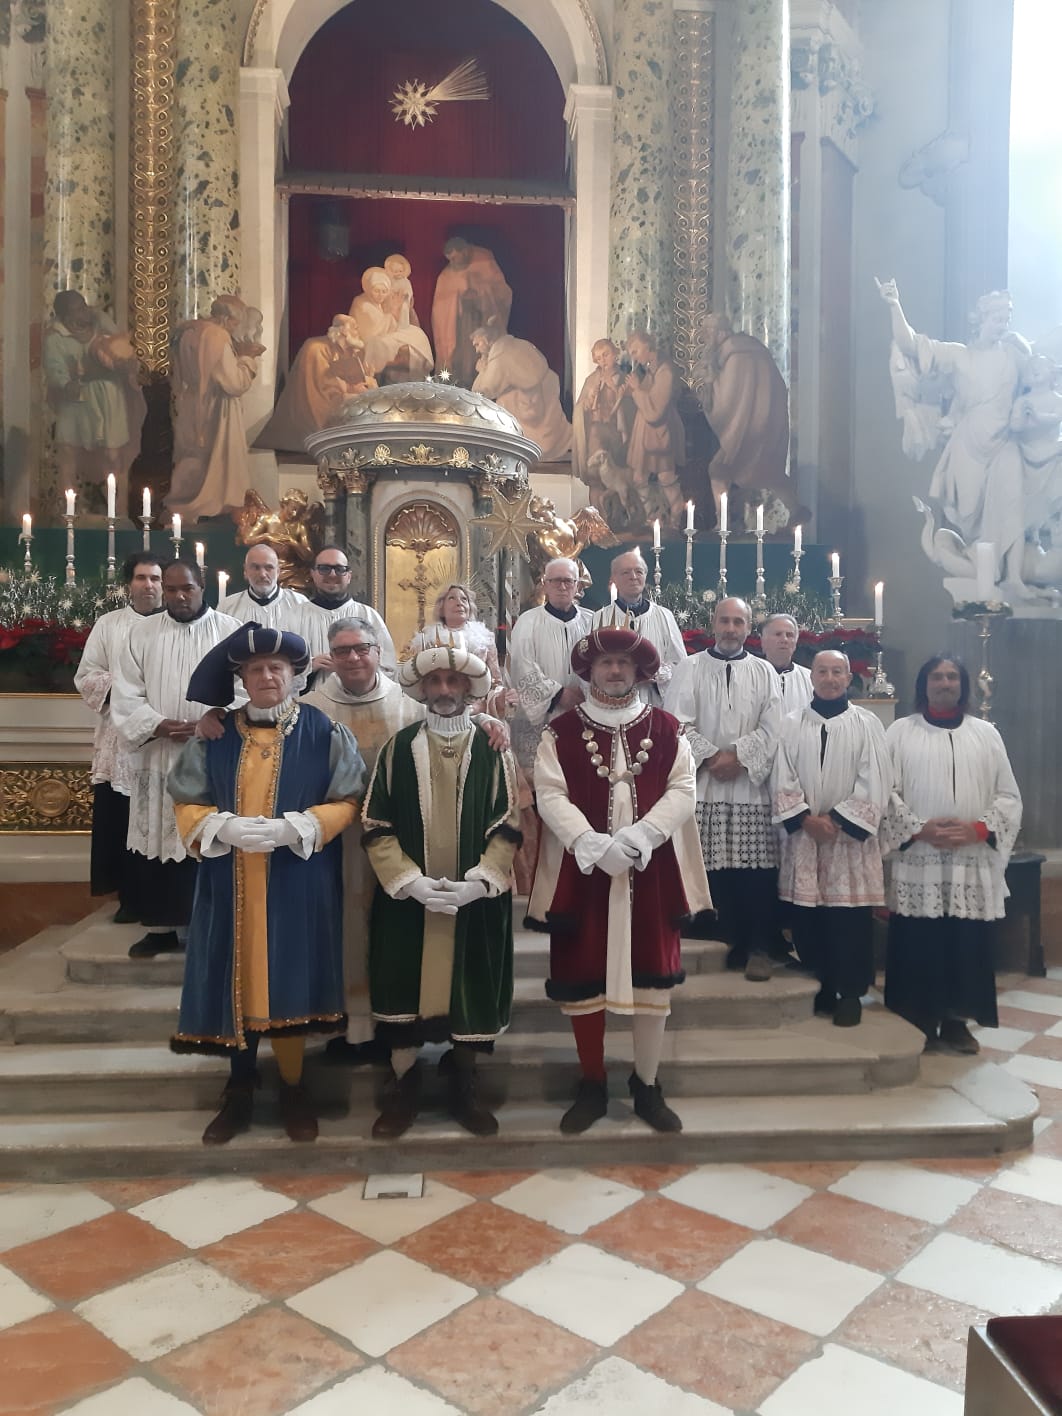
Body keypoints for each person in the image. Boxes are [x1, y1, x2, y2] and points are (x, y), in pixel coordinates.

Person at [167, 625, 364, 1144]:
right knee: (236, 975)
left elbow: (349, 797)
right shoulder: (214, 734)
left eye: (277, 667)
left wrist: (298, 826)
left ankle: (294, 1088)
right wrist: (219, 826)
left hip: (298, 878)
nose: (267, 676)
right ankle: (239, 1088)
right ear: (242, 678)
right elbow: (186, 797)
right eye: (255, 669)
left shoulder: (324, 731)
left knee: (290, 977)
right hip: (227, 879)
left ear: (295, 674)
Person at [528, 625, 710, 1133]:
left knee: (653, 978)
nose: (613, 671)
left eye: (623, 663)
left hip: (652, 873)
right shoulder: (560, 732)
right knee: (582, 976)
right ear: (589, 671)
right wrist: (590, 843)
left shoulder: (668, 728)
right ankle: (592, 1083)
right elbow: (549, 793)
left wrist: (641, 837)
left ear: (638, 671)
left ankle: (646, 1084)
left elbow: (683, 789)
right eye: (605, 663)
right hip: (582, 872)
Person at [305, 616, 511, 1065]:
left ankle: (444, 1058)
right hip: (339, 844)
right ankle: (358, 1030)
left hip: (414, 849)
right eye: (342, 651)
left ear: (378, 651)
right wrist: (214, 715)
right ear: (330, 657)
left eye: (362, 648)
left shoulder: (404, 704)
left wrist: (490, 722)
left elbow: (452, 719)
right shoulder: (312, 706)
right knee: (353, 934)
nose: (353, 658)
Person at [362, 640, 522, 1138]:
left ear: (470, 689)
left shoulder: (493, 749)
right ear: (423, 688)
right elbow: (375, 822)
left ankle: (464, 1083)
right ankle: (403, 1083)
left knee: (469, 985)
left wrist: (481, 882)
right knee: (402, 986)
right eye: (435, 680)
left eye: (454, 680)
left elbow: (508, 822)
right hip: (409, 902)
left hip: (473, 901)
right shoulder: (397, 748)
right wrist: (408, 882)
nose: (445, 688)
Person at [881, 656, 1022, 1053]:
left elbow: (1009, 796)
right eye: (937, 677)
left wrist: (979, 829)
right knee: (919, 941)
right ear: (923, 685)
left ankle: (957, 1023)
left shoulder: (986, 734)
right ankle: (919, 1020)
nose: (944, 683)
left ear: (962, 685)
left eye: (952, 677)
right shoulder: (900, 732)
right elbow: (885, 791)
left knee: (966, 942)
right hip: (920, 857)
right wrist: (917, 828)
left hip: (969, 858)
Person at [110, 561, 242, 957]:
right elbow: (126, 692)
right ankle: (160, 928)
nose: (179, 596)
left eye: (187, 588)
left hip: (212, 754)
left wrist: (215, 716)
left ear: (202, 586)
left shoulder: (230, 632)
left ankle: (211, 926)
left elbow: (246, 687)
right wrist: (159, 725)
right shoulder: (140, 634)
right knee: (158, 832)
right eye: (171, 590)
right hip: (159, 752)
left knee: (208, 835)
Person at [877, 280, 1028, 587]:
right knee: (971, 518)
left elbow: (1043, 376)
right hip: (969, 446)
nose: (1002, 326)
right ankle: (984, 580)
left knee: (1011, 507)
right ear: (981, 319)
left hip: (1005, 444)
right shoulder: (960, 356)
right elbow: (910, 345)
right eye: (996, 319)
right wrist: (894, 305)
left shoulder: (1014, 355)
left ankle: (1009, 579)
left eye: (1006, 320)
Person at [664, 596, 783, 981]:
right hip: (704, 786)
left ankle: (756, 947)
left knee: (755, 873)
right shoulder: (690, 667)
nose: (731, 629)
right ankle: (715, 945)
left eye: (739, 622)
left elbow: (774, 727)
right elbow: (675, 723)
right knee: (707, 868)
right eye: (725, 621)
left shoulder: (764, 671)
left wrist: (739, 757)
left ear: (749, 628)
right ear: (713, 623)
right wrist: (713, 756)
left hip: (749, 789)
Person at [772, 651, 891, 1025]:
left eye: (837, 671)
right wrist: (805, 819)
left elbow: (876, 779)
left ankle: (850, 994)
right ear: (812, 678)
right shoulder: (791, 723)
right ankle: (821, 986)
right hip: (806, 837)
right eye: (822, 671)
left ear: (848, 678)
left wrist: (836, 820)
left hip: (847, 842)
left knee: (849, 921)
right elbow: (781, 775)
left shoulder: (867, 724)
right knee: (809, 919)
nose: (829, 678)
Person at [74, 552, 163, 923]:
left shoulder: (175, 626)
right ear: (129, 584)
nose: (149, 585)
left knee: (160, 815)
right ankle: (129, 897)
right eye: (141, 578)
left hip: (163, 734)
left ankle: (164, 899)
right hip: (120, 739)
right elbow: (87, 675)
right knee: (123, 817)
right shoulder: (109, 625)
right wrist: (128, 690)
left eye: (155, 578)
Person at [43, 290, 146, 506]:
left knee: (112, 454)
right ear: (67, 317)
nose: (85, 311)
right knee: (69, 452)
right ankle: (68, 511)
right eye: (78, 309)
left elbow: (123, 349)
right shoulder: (55, 338)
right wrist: (70, 381)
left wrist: (121, 361)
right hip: (76, 403)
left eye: (84, 305)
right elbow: (56, 371)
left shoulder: (101, 323)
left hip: (109, 398)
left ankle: (115, 509)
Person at [167, 295, 262, 523]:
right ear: (226, 317)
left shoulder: (189, 332)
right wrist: (248, 358)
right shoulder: (216, 336)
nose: (235, 327)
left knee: (194, 457)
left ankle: (184, 505)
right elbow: (234, 383)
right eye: (235, 322)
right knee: (217, 463)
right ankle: (212, 508)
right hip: (218, 408)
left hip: (191, 403)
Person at [695, 312, 791, 509]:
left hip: (746, 429)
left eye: (708, 332)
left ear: (721, 332)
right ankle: (796, 509)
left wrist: (710, 384)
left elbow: (729, 400)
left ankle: (724, 522)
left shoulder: (735, 356)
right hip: (766, 423)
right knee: (768, 472)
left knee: (719, 470)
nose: (705, 337)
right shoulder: (752, 349)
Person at [509, 557, 593, 776]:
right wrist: (558, 694)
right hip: (542, 716)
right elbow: (522, 664)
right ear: (545, 584)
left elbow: (600, 663)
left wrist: (585, 691)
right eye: (555, 581)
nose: (562, 586)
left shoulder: (591, 621)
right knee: (542, 778)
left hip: (584, 712)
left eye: (568, 581)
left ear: (577, 585)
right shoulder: (528, 621)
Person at [258, 315, 375, 452]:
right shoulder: (315, 348)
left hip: (338, 395)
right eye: (355, 328)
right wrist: (351, 388)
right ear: (343, 331)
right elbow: (322, 382)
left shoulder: (350, 349)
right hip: (319, 403)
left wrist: (365, 379)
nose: (358, 332)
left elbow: (352, 374)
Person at [590, 549, 686, 706]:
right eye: (626, 572)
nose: (633, 577)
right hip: (612, 704)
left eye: (639, 571)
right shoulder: (599, 618)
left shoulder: (663, 615)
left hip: (654, 704)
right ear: (614, 578)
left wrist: (656, 672)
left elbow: (681, 664)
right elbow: (590, 665)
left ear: (645, 576)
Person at [408, 583, 513, 718]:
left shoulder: (486, 639)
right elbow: (420, 683)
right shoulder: (427, 639)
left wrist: (500, 698)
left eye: (464, 599)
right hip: (437, 709)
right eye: (452, 598)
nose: (459, 603)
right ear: (441, 608)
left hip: (477, 713)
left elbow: (495, 682)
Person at [471, 323, 572, 462]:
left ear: (487, 340)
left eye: (477, 344)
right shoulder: (517, 344)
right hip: (546, 394)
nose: (477, 350)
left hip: (529, 404)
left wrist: (483, 370)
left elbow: (483, 391)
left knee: (502, 405)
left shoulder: (500, 356)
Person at [299, 546, 397, 679]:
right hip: (310, 692)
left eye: (339, 569)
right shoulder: (294, 616)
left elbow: (388, 668)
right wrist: (309, 667)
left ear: (349, 576)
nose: (332, 574)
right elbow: (279, 667)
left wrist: (355, 666)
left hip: (358, 693)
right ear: (313, 573)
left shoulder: (368, 616)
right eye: (324, 568)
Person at [431, 236, 512, 385]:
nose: (453, 262)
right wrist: (457, 300)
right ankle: (462, 381)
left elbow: (501, 292)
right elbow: (441, 310)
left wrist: (480, 294)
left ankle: (484, 383)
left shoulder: (484, 262)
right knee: (464, 356)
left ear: (464, 252)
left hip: (482, 319)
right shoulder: (446, 276)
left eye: (455, 258)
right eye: (450, 259)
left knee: (482, 351)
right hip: (461, 324)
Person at [625, 331, 686, 528]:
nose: (634, 358)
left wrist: (636, 389)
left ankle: (676, 516)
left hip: (660, 431)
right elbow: (644, 397)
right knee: (639, 477)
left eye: (635, 352)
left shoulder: (665, 371)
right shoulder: (651, 370)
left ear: (647, 346)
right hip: (644, 432)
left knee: (665, 476)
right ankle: (652, 517)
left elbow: (656, 410)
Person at [350, 267, 433, 381]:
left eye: (384, 292)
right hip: (369, 340)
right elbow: (372, 329)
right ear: (369, 289)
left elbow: (393, 324)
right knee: (396, 345)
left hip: (385, 335)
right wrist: (392, 314)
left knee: (417, 334)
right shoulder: (362, 303)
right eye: (376, 291)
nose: (380, 295)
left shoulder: (381, 303)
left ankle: (415, 374)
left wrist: (397, 312)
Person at [219, 544, 311, 635]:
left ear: (278, 571)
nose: (262, 574)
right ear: (245, 571)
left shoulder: (300, 604)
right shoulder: (227, 608)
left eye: (269, 568)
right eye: (256, 568)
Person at [759, 613, 813, 713]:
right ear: (763, 640)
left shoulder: (810, 679)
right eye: (778, 634)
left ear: (795, 642)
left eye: (789, 635)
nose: (784, 639)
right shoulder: (751, 676)